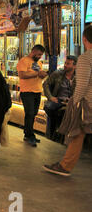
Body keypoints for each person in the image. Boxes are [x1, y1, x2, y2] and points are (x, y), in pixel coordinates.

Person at [43, 26, 92, 176]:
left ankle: (65, 166)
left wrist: (75, 103)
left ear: (84, 39)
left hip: (87, 103)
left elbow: (82, 84)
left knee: (76, 133)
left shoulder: (86, 57)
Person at [16, 44, 48, 147]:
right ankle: (29, 135)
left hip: (37, 91)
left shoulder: (38, 63)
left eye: (41, 55)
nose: (40, 56)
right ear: (33, 51)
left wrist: (42, 75)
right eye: (38, 54)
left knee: (33, 113)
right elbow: (22, 75)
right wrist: (37, 74)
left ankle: (28, 133)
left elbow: (38, 76)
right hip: (27, 91)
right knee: (29, 113)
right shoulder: (24, 61)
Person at [42, 55, 77, 141]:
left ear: (75, 66)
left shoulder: (78, 77)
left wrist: (72, 100)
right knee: (48, 107)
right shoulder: (58, 73)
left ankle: (67, 136)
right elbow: (45, 84)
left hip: (72, 101)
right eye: (65, 63)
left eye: (68, 64)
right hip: (58, 99)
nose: (65, 65)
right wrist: (50, 97)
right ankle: (55, 131)